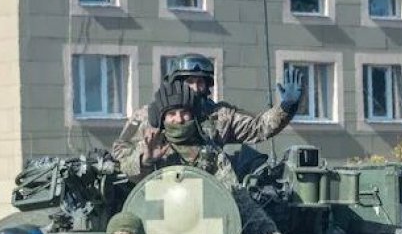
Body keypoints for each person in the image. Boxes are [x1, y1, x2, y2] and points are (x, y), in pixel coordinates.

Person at [113, 82, 289, 234]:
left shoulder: (210, 153)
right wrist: (147, 159)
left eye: (184, 113)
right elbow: (130, 172)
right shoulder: (152, 145)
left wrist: (264, 231)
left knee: (242, 198)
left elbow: (231, 194)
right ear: (161, 119)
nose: (179, 120)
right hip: (159, 231)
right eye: (171, 114)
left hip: (206, 227)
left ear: (194, 115)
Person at [116, 54, 305, 160]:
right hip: (159, 189)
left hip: (209, 189)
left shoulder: (220, 116)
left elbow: (259, 128)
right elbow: (119, 151)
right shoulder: (148, 115)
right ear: (176, 84)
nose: (196, 88)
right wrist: (145, 156)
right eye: (189, 82)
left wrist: (286, 107)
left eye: (201, 82)